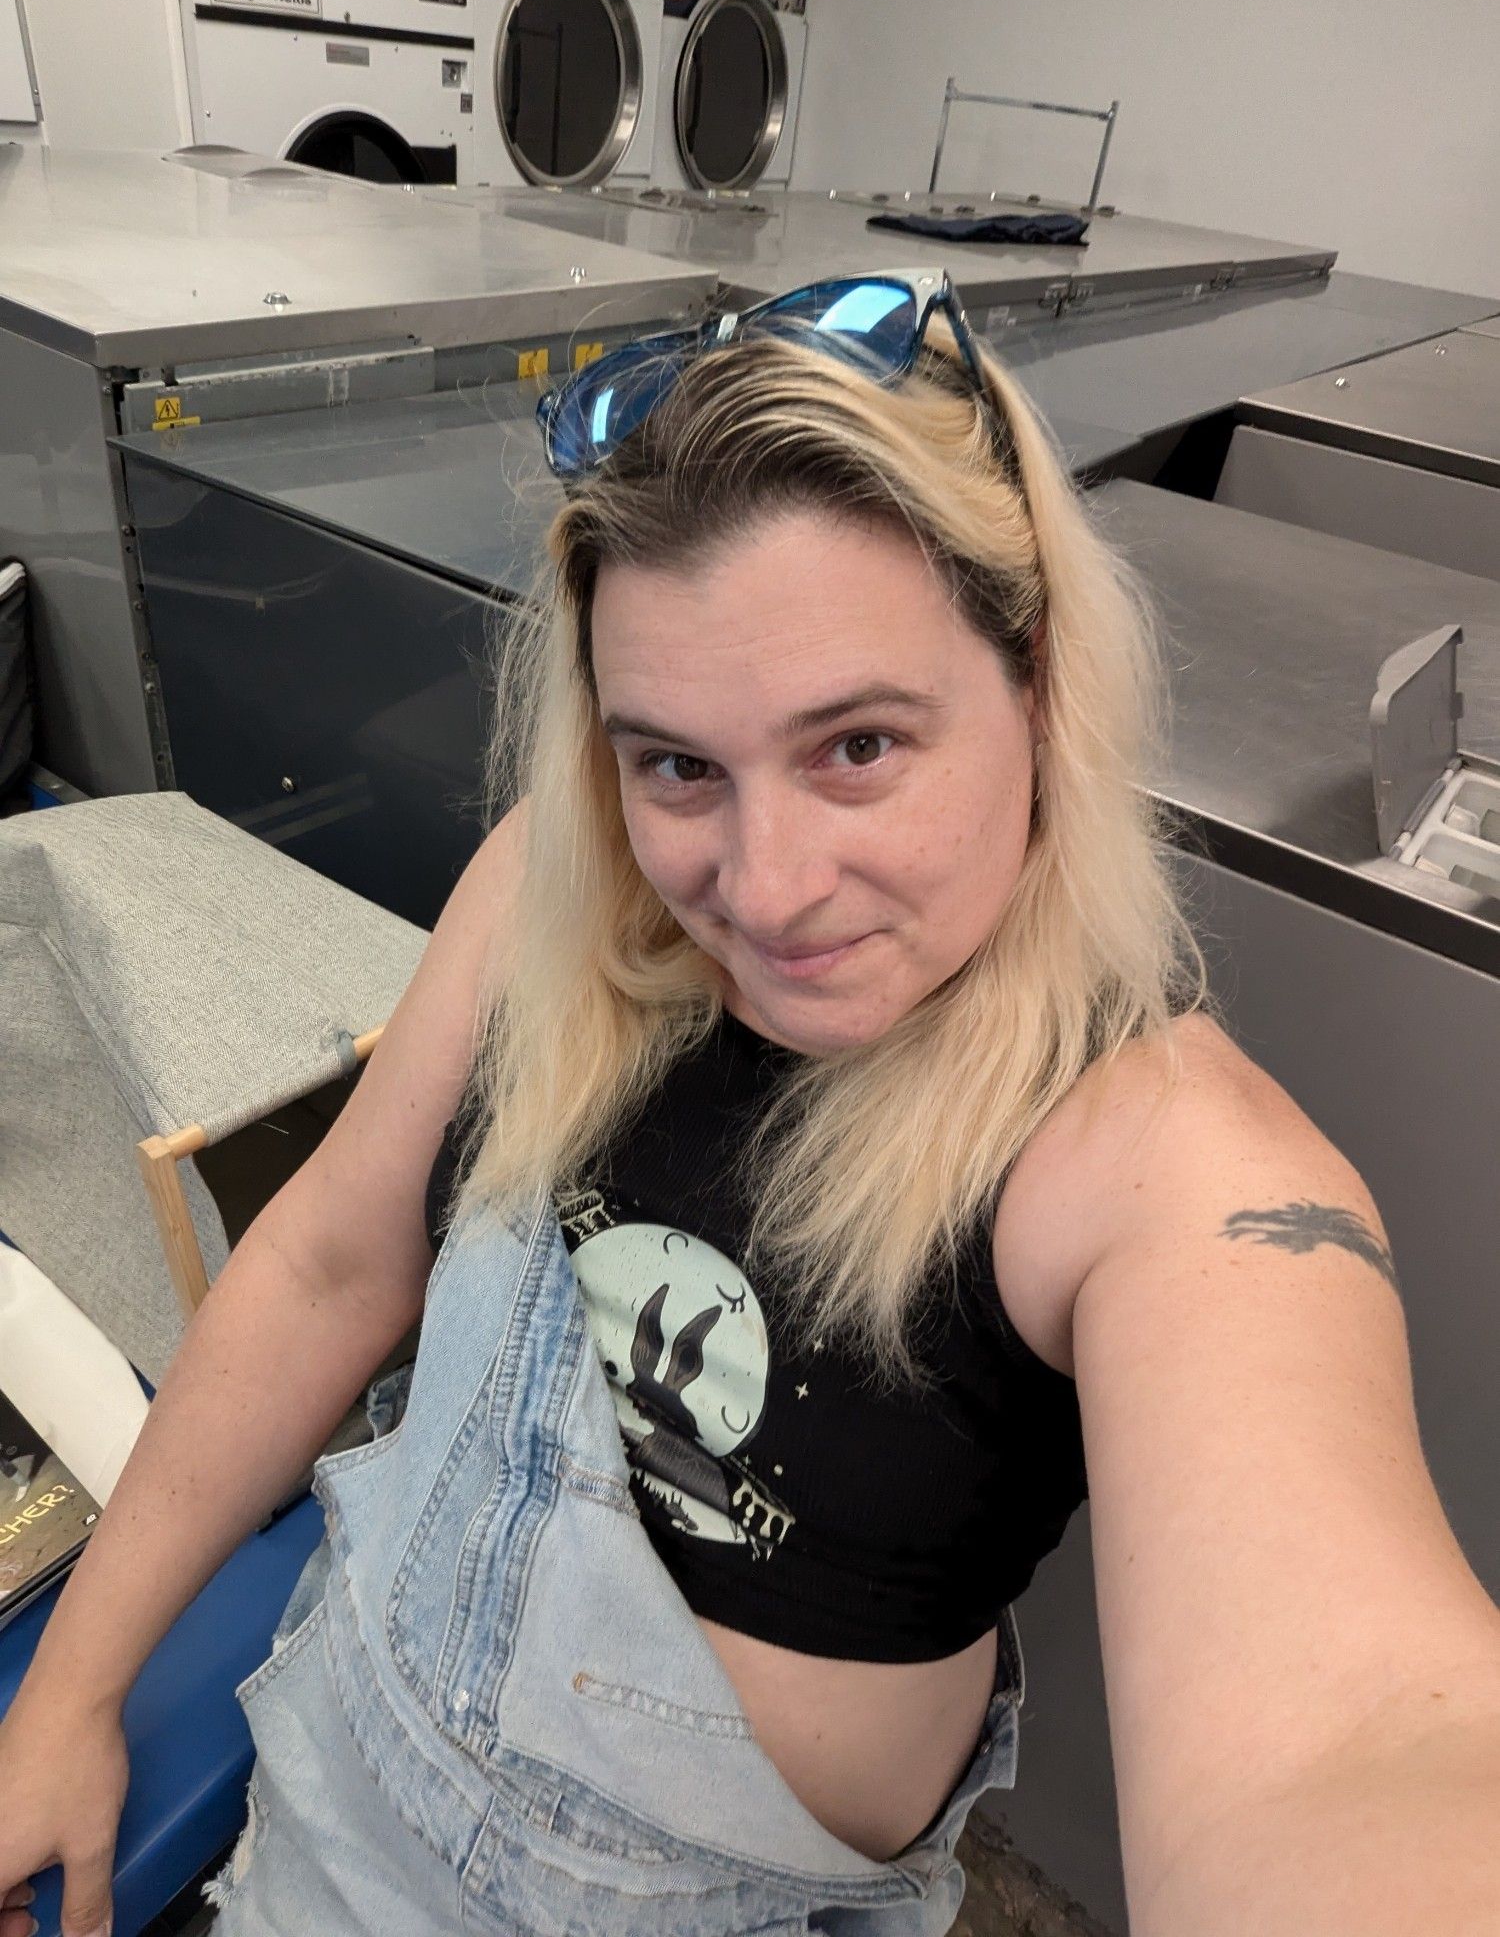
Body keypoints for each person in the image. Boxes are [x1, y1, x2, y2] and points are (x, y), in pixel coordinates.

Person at [2, 270, 1498, 1937]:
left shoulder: (1162, 1168)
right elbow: (329, 1270)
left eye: (859, 745)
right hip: (328, 1814)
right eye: (677, 766)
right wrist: (64, 1698)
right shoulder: (547, 905)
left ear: (1040, 687)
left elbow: (1351, 1744)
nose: (767, 890)